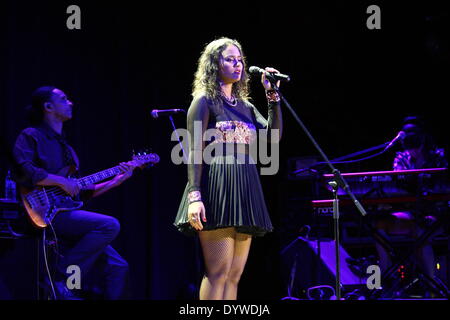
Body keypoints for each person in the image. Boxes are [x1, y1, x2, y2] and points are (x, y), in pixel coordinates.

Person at [174, 37, 283, 300]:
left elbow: (274, 136)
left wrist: (273, 96)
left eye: (240, 60)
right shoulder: (204, 101)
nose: (238, 64)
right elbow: (195, 151)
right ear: (214, 64)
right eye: (230, 59)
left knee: (234, 275)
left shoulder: (245, 106)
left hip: (245, 187)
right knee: (218, 271)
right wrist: (195, 196)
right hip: (217, 187)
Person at [13, 86, 133, 300]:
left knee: (118, 266)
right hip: (44, 213)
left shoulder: (68, 150)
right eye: (64, 99)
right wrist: (59, 180)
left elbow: (80, 194)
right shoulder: (31, 135)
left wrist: (116, 180)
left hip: (66, 212)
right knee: (109, 225)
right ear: (48, 107)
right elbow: (22, 170)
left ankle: (63, 286)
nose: (71, 103)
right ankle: (59, 278)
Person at [374, 116, 448, 295]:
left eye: (414, 134)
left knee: (421, 231)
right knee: (378, 226)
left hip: (437, 213)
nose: (410, 138)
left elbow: (443, 185)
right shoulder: (401, 158)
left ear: (423, 136)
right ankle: (386, 280)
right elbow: (399, 183)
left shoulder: (438, 156)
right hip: (411, 212)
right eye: (406, 134)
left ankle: (431, 288)